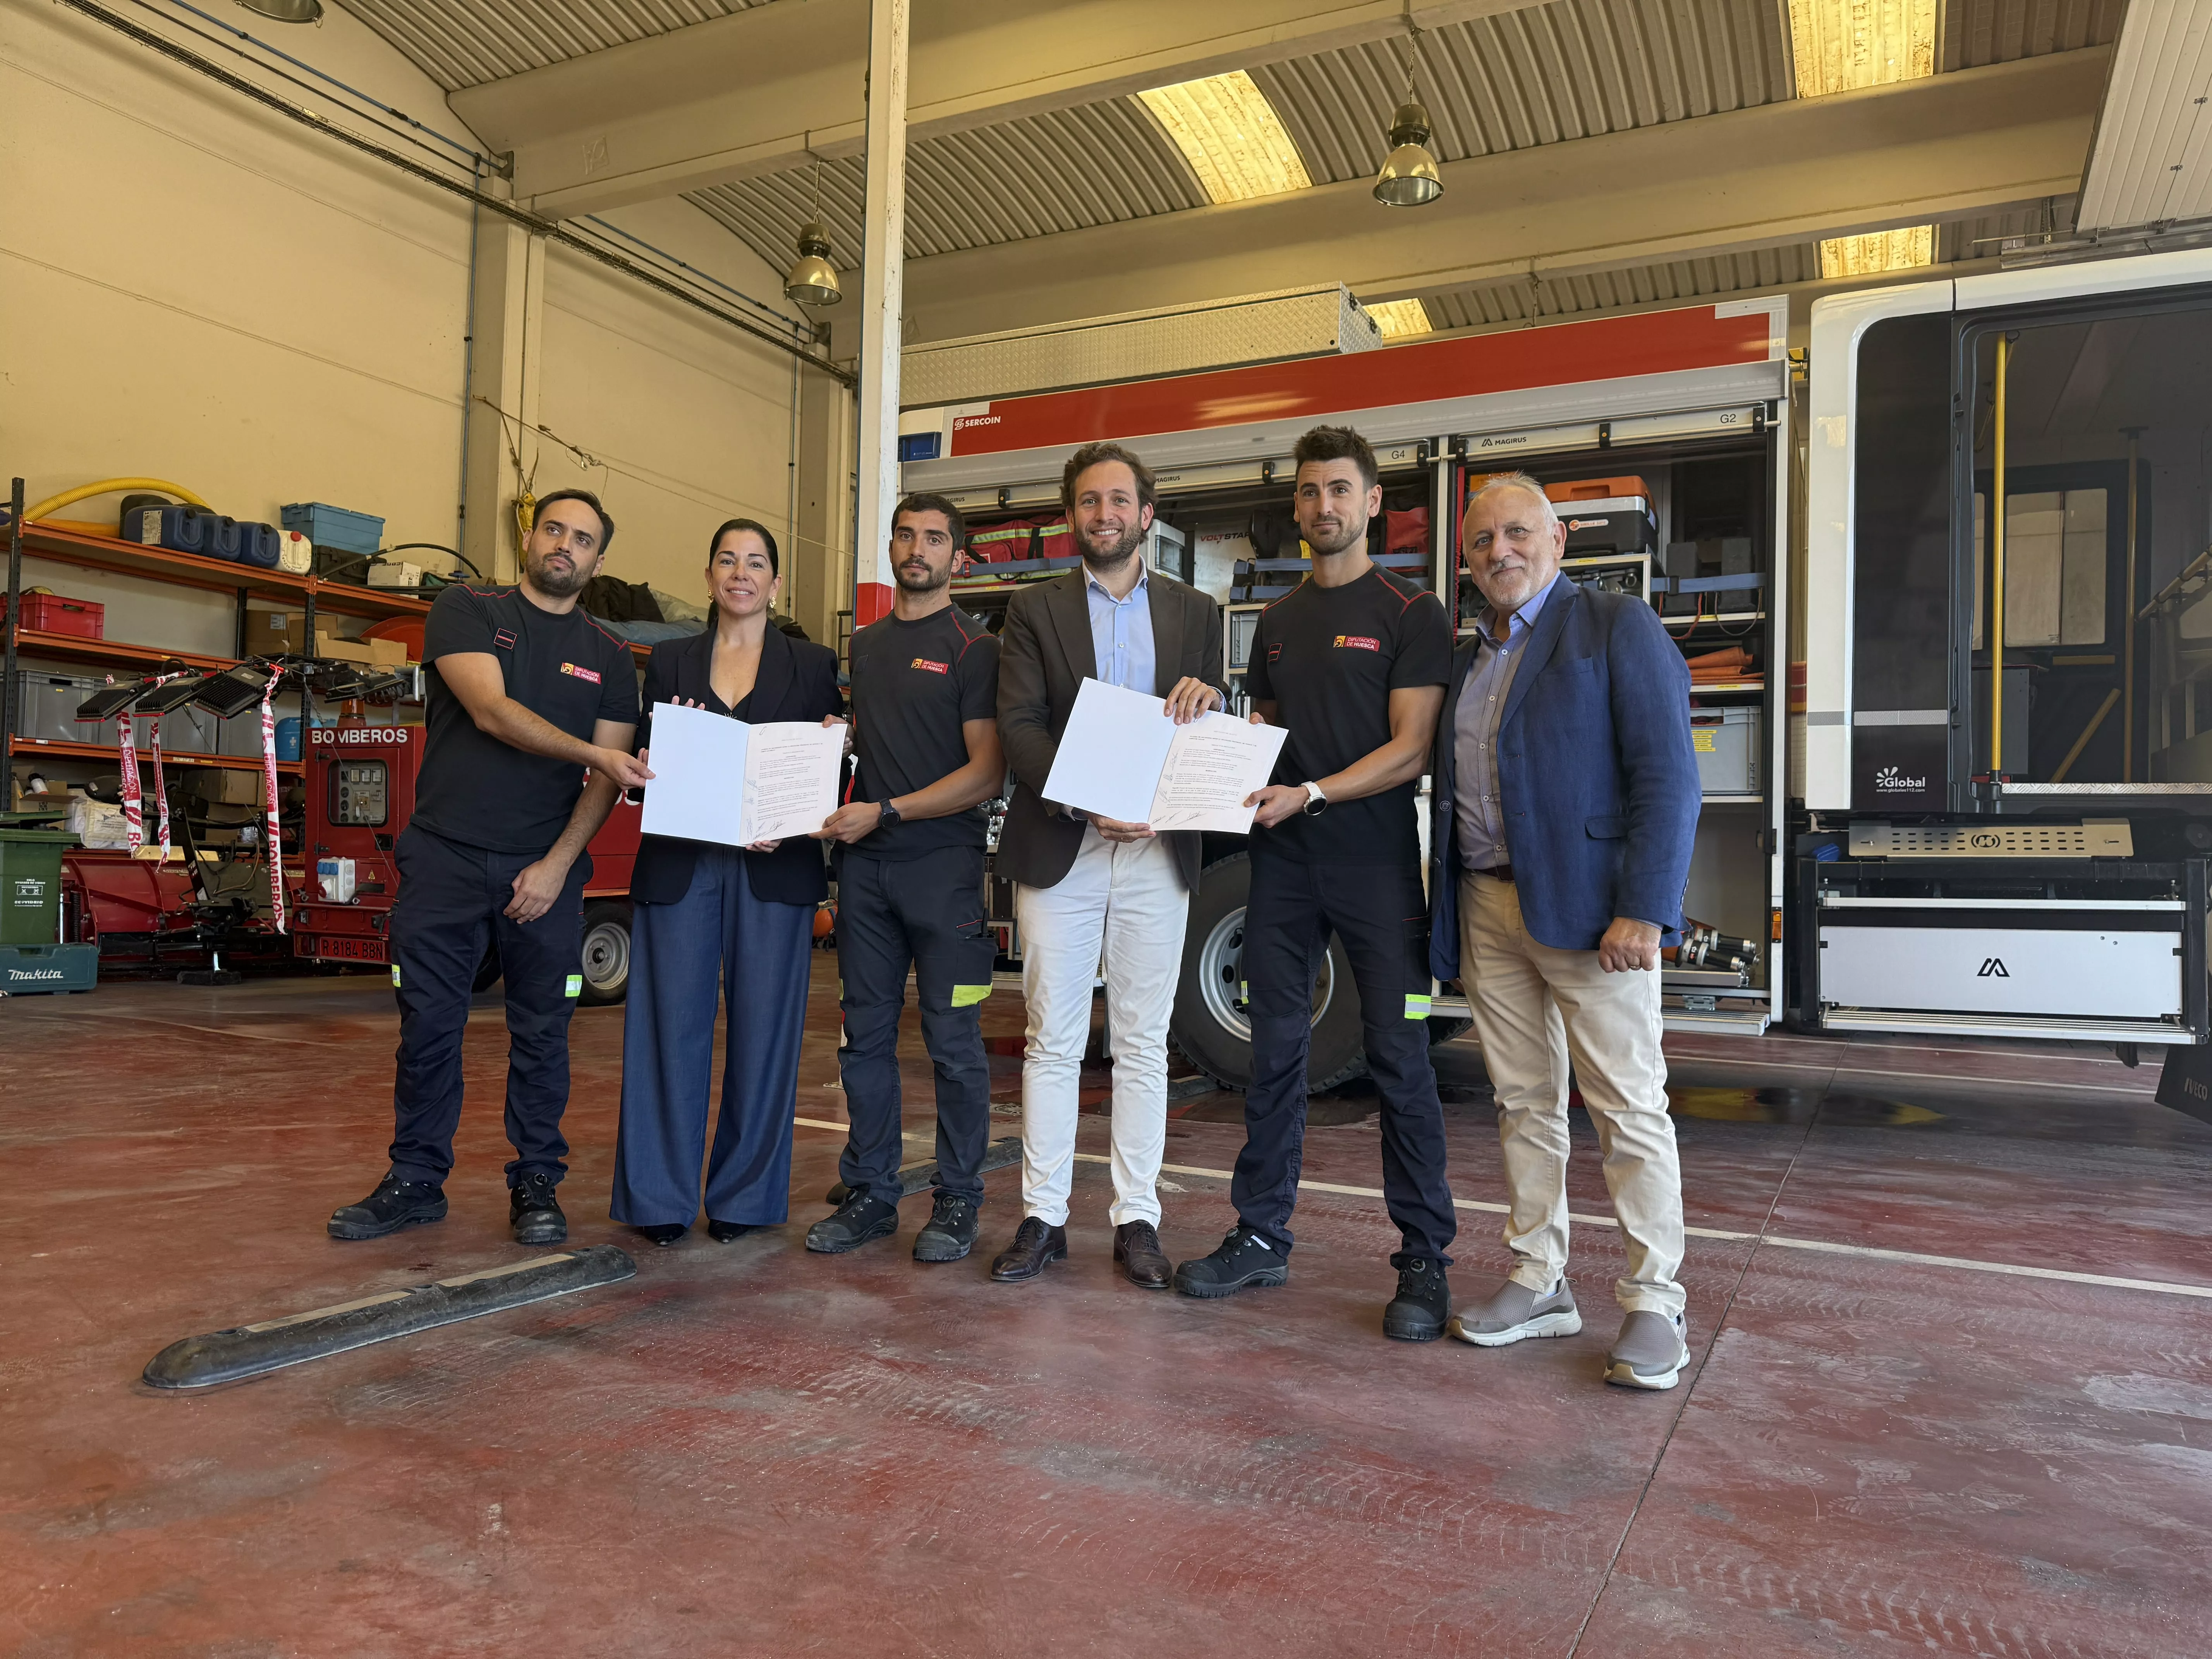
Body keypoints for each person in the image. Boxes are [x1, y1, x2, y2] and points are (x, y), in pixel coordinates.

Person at [1171, 425, 1459, 1342]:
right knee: (1276, 1055)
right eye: (1309, 492)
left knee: (1400, 1061)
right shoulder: (1281, 622)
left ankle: (1424, 1259)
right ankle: (1261, 1234)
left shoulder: (1413, 614)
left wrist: (1316, 793)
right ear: (1297, 508)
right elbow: (1269, 734)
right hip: (1283, 864)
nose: (1323, 506)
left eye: (1341, 489)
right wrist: (1217, 718)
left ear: (1373, 502)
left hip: (1374, 865)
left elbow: (1411, 749)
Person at [1427, 472, 1701, 1389]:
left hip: (1593, 916)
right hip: (1489, 907)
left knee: (1627, 1105)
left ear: (1560, 542)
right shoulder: (1470, 658)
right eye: (1481, 542)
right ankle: (1540, 1279)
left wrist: (1646, 906)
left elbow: (1668, 776)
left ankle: (1656, 1301)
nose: (1498, 552)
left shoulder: (1617, 628)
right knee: (1524, 1105)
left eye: (1517, 534)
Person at [329, 489, 645, 1245]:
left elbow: (606, 785)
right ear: (530, 539)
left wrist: (557, 867)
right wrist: (594, 750)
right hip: (444, 857)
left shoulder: (610, 657)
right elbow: (492, 712)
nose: (566, 546)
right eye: (555, 530)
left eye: (584, 540)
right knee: (429, 1028)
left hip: (546, 867)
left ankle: (537, 1181)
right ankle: (415, 1179)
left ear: (600, 561)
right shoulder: (468, 610)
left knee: (543, 1034)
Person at [987, 442, 1227, 1288]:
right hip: (1065, 847)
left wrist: (1214, 702)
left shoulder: (1197, 612)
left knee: (1144, 1044)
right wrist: (1089, 804)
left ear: (1146, 516)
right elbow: (1019, 727)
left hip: (1160, 852)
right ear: (1071, 517)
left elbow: (1209, 723)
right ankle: (1042, 1217)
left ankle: (1138, 1221)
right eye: (1089, 502)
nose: (1104, 516)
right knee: (1052, 1039)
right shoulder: (1034, 609)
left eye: (1119, 501)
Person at [610, 520, 843, 1248]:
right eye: (727, 560)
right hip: (683, 864)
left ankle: (745, 1195)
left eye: (756, 563)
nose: (741, 573)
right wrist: (661, 751)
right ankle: (657, 1198)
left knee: (766, 1034)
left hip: (774, 868)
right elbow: (647, 774)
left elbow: (823, 770)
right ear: (710, 575)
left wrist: (831, 755)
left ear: (776, 583)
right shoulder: (672, 660)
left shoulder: (813, 663)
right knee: (664, 1030)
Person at [806, 494, 1005, 1262]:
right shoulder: (870, 644)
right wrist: (840, 743)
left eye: (933, 538)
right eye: (904, 535)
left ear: (957, 556)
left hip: (944, 876)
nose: (916, 549)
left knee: (954, 1044)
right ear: (891, 547)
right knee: (863, 1042)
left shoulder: (975, 648)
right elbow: (886, 739)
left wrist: (883, 810)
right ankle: (871, 1192)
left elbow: (985, 774)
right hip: (866, 876)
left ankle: (958, 1201)